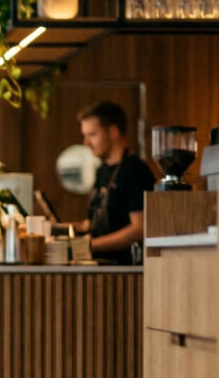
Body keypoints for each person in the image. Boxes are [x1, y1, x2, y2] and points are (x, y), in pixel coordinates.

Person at [66, 101, 157, 264]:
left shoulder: (136, 171)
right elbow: (94, 221)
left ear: (113, 132)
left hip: (126, 270)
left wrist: (89, 245)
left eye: (92, 135)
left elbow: (139, 228)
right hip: (100, 264)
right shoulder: (102, 171)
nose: (85, 142)